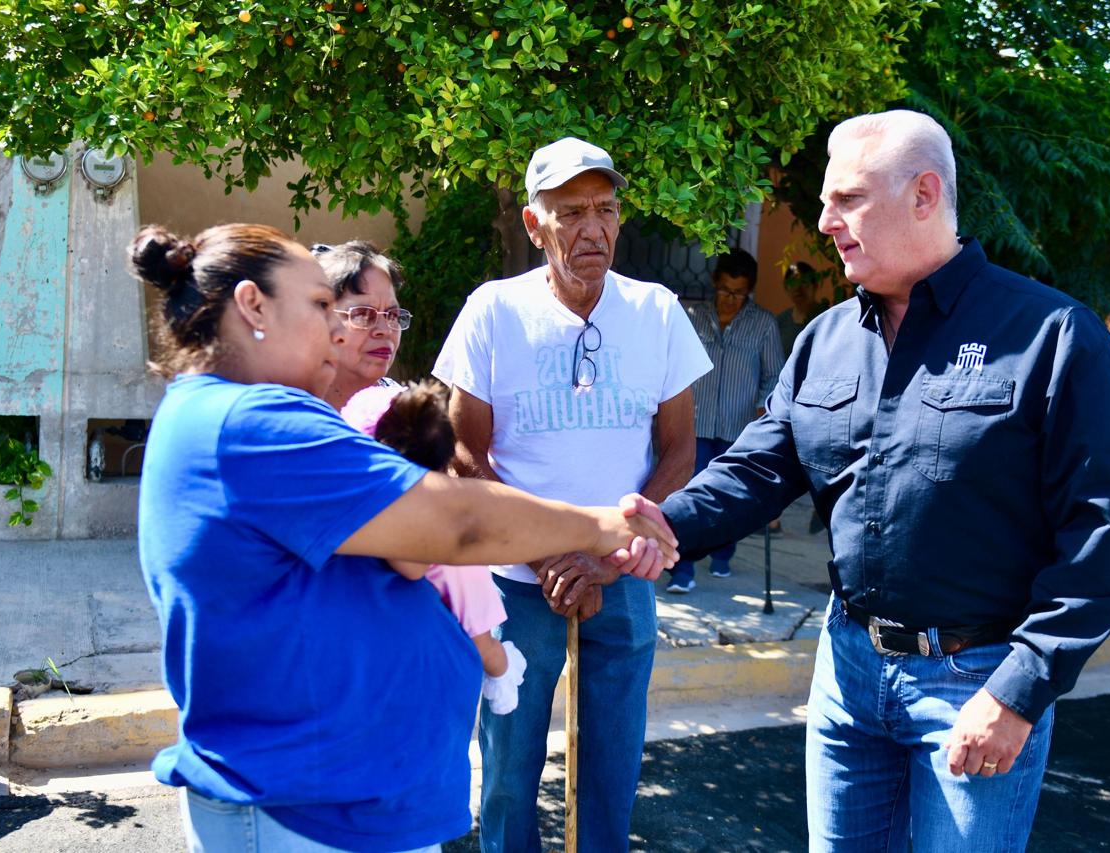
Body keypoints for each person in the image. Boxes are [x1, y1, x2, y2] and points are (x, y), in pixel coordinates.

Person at [652, 110, 1110, 850]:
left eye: (846, 199)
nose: (822, 221)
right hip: (848, 674)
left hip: (977, 682)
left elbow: (1108, 542)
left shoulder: (1052, 335)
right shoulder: (824, 340)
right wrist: (660, 524)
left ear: (924, 195)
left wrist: (1018, 692)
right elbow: (760, 465)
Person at [130, 222, 676, 853]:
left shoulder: (259, 414)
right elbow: (456, 524)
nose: (338, 328)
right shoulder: (248, 424)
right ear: (253, 305)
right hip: (303, 811)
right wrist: (606, 525)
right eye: (319, 306)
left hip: (335, 807)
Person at [432, 136, 711, 853]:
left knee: (612, 769)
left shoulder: (656, 311)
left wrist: (605, 555)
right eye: (571, 212)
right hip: (518, 586)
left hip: (621, 578)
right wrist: (552, 548)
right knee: (507, 771)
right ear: (535, 225)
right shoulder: (493, 312)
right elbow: (467, 453)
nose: (593, 229)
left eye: (605, 210)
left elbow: (679, 450)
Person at [341, 380, 527, 715]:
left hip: (398, 694)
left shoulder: (351, 522)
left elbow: (409, 562)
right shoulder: (450, 545)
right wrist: (502, 670)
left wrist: (501, 669)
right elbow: (482, 640)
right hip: (414, 695)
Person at [665, 248, 783, 593]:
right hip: (695, 424)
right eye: (724, 290)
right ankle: (682, 570)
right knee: (686, 494)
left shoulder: (763, 325)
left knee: (728, 498)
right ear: (715, 284)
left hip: (738, 427)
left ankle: (721, 556)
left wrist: (764, 408)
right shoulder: (693, 317)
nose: (730, 299)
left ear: (749, 291)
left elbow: (774, 375)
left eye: (738, 293)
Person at [314, 240, 410, 410]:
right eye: (363, 314)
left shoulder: (408, 414)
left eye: (392, 315)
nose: (385, 330)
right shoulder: (288, 416)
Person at [776, 260, 830, 356]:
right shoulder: (779, 322)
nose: (798, 287)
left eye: (804, 282)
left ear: (815, 285)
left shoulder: (827, 318)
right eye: (793, 282)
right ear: (786, 287)